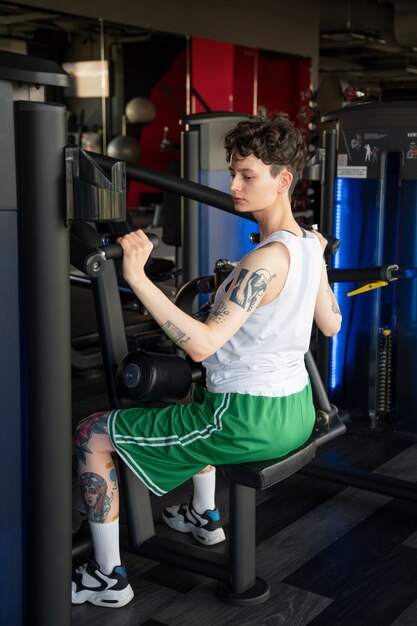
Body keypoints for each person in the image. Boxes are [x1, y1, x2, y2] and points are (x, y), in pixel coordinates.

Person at [72, 113, 342, 608]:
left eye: (247, 176)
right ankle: (203, 515)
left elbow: (201, 345)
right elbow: (331, 325)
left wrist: (137, 277)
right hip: (297, 412)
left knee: (92, 433)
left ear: (283, 181)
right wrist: (320, 262)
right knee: (193, 389)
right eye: (232, 174)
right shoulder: (309, 246)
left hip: (246, 419)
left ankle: (106, 578)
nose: (234, 186)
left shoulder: (262, 261)